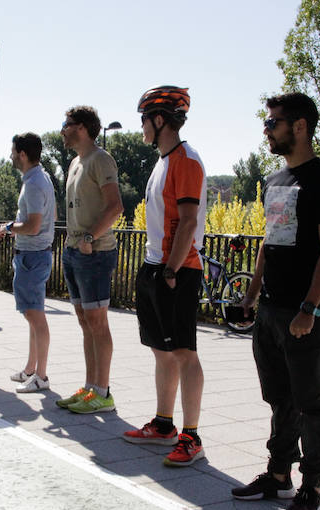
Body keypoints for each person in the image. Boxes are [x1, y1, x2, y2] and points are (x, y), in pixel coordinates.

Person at [230, 93, 320, 510]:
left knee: (312, 402)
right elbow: (270, 241)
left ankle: (312, 487)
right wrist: (252, 293)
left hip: (304, 312)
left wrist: (310, 308)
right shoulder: (274, 181)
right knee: (280, 397)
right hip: (271, 310)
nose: (267, 129)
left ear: (299, 126)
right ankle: (278, 473)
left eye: (273, 122)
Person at [122, 86, 208, 467]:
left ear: (159, 120)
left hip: (179, 269)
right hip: (156, 264)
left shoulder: (186, 160)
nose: (140, 126)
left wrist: (171, 269)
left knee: (184, 353)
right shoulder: (163, 160)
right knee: (161, 350)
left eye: (143, 119)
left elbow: (188, 220)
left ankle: (191, 436)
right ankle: (163, 424)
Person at [55, 105, 123, 414]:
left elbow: (115, 206)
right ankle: (90, 387)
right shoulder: (74, 162)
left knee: (97, 321)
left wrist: (89, 238)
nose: (62, 130)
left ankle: (103, 392)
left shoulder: (101, 159)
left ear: (81, 127)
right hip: (74, 251)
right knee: (85, 322)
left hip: (94, 252)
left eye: (66, 124)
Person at [0, 132, 56, 393]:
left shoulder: (33, 183)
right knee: (34, 315)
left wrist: (10, 227)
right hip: (37, 254)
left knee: (36, 317)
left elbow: (32, 226)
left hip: (31, 256)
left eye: (13, 151)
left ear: (22, 154)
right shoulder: (41, 177)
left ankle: (41, 377)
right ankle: (31, 369)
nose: (11, 155)